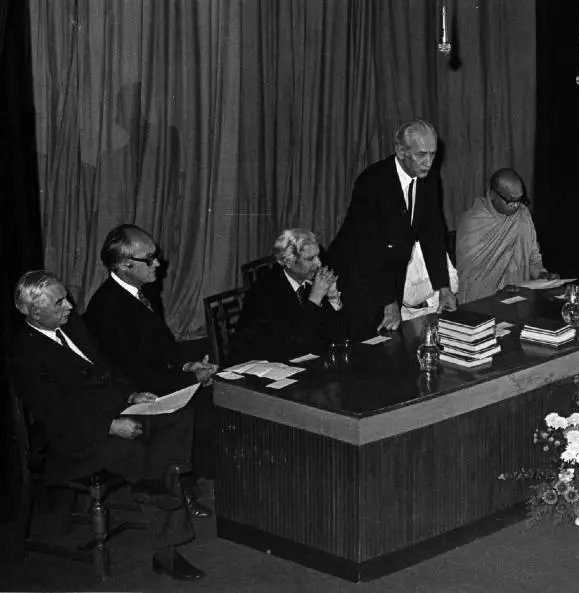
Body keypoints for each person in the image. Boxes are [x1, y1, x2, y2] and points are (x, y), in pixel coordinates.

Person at [8, 271, 206, 581]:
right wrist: (109, 425)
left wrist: (131, 393)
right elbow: (56, 414)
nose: (70, 307)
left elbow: (106, 367)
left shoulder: (71, 325)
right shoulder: (25, 354)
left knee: (179, 414)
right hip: (77, 438)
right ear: (35, 312)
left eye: (66, 298)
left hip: (116, 409)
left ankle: (166, 478)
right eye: (60, 303)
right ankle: (166, 547)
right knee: (144, 455)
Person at [83, 224, 216, 517]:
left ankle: (189, 478)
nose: (158, 264)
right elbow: (133, 372)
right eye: (150, 259)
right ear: (124, 265)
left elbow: (163, 345)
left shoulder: (144, 290)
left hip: (150, 378)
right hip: (128, 395)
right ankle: (178, 486)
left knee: (215, 394)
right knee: (194, 407)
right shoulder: (108, 309)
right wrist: (189, 379)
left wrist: (187, 364)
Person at [327, 118, 456, 338]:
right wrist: (388, 301)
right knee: (366, 343)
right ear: (401, 151)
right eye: (421, 154)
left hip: (388, 274)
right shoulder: (373, 182)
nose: (428, 162)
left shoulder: (429, 179)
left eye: (432, 154)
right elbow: (368, 249)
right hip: (357, 275)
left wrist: (443, 287)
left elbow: (432, 234)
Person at [231, 228, 342, 362]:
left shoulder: (310, 281)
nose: (318, 263)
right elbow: (292, 345)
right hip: (268, 367)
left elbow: (336, 335)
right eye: (310, 259)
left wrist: (332, 297)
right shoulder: (265, 291)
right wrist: (314, 299)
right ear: (289, 262)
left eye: (318, 256)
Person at [455, 168, 557, 304]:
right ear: (492, 194)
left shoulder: (522, 215)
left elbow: (533, 260)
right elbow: (471, 280)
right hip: (483, 304)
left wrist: (542, 275)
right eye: (510, 201)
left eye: (519, 200)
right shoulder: (472, 222)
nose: (515, 206)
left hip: (518, 300)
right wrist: (500, 290)